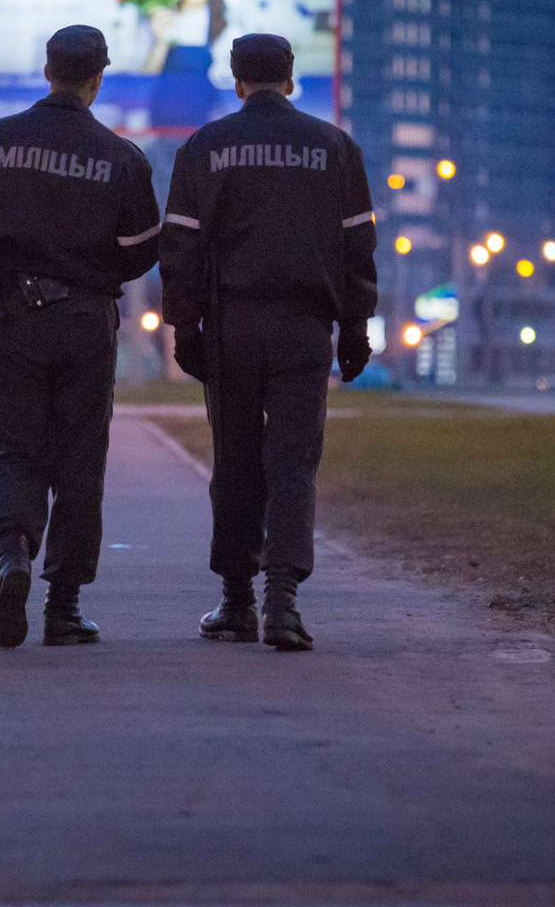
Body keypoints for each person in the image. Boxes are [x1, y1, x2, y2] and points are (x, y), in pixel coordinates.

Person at [0, 24, 162, 648]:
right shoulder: (122, 158)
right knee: (80, 461)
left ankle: (13, 553)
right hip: (86, 324)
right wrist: (93, 277)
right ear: (97, 79)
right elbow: (144, 249)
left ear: (46, 72)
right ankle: (63, 606)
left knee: (15, 451)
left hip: (11, 321)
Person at [158, 32, 378, 651]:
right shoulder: (335, 148)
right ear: (290, 79)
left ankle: (235, 602)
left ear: (235, 81)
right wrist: (356, 328)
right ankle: (283, 603)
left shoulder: (205, 147)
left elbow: (179, 247)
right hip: (305, 328)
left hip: (232, 328)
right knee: (292, 464)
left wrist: (185, 325)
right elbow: (358, 250)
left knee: (234, 462)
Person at [141, 0, 231, 129]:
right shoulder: (158, 16)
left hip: (205, 129)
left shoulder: (225, 25)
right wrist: (161, 42)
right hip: (160, 127)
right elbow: (143, 82)